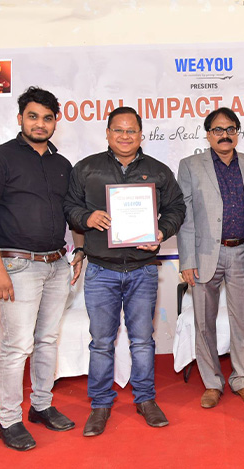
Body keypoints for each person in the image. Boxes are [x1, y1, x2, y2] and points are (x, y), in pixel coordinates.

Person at [64, 106, 185, 437]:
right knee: (101, 342)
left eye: (131, 131)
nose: (125, 136)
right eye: (118, 130)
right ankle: (100, 404)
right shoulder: (86, 168)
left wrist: (161, 231)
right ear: (107, 133)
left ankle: (145, 399)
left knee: (142, 340)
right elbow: (69, 206)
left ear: (141, 135)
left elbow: (177, 208)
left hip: (143, 271)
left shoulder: (158, 171)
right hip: (100, 270)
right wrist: (86, 218)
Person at [0, 86, 78, 451]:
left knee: (47, 340)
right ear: (20, 118)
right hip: (17, 266)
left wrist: (78, 251)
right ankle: (8, 420)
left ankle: (41, 406)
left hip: (57, 264)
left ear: (55, 122)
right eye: (33, 116)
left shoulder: (62, 165)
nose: (40, 124)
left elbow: (71, 214)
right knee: (18, 346)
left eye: (47, 118)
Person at [177, 107, 244, 409]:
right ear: (208, 135)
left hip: (243, 251)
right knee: (204, 322)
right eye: (218, 130)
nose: (225, 135)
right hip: (205, 255)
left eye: (230, 129)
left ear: (237, 133)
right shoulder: (190, 166)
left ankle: (242, 378)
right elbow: (185, 217)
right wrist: (187, 260)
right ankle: (212, 383)